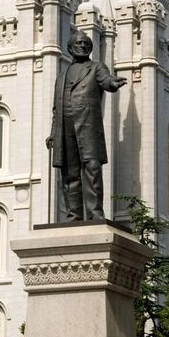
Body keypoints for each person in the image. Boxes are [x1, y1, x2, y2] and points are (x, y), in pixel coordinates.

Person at [46, 31, 126, 221]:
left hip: (88, 126)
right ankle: (74, 215)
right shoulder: (62, 76)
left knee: (92, 169)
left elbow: (106, 80)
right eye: (78, 43)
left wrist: (113, 83)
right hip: (65, 129)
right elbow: (57, 109)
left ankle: (95, 213)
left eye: (86, 43)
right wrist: (53, 133)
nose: (82, 46)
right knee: (69, 174)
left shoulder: (96, 67)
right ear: (70, 47)